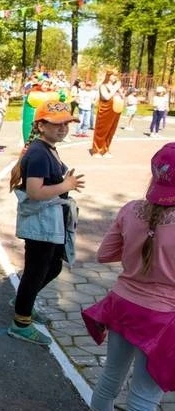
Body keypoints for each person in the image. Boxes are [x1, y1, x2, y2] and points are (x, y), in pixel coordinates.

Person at [82, 143, 175, 411]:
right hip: (162, 318)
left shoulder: (131, 209)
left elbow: (104, 254)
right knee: (144, 395)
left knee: (110, 378)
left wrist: (140, 254)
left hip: (123, 305)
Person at [7, 100, 84, 345]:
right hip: (41, 223)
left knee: (52, 266)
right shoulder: (39, 152)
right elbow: (35, 191)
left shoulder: (47, 148)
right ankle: (21, 322)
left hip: (50, 220)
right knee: (36, 271)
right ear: (41, 125)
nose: (63, 129)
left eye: (66, 124)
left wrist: (64, 183)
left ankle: (24, 302)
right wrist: (66, 186)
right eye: (56, 124)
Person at [90, 71, 123, 158]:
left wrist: (120, 91)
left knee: (111, 131)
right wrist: (115, 88)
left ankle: (105, 149)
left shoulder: (116, 87)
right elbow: (106, 97)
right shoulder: (103, 86)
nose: (115, 77)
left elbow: (122, 97)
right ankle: (96, 150)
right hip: (105, 111)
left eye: (116, 76)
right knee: (102, 131)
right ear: (108, 76)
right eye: (113, 76)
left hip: (115, 111)